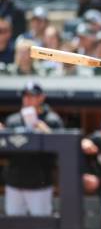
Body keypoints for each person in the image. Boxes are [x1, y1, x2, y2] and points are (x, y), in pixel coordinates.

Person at [4, 81, 63, 216]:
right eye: (26, 95)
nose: (28, 98)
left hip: (40, 183)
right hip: (15, 181)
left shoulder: (51, 120)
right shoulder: (13, 121)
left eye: (33, 95)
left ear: (41, 97)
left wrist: (46, 132)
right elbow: (6, 153)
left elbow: (59, 150)